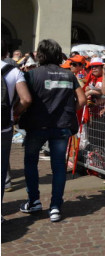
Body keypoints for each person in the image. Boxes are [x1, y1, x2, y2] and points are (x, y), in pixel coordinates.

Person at [19, 39, 86, 223]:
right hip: (62, 127)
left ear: (39, 55)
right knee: (58, 168)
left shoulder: (32, 75)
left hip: (38, 126)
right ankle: (55, 206)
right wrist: (69, 112)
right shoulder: (69, 75)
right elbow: (82, 100)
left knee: (31, 162)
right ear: (58, 55)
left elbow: (24, 99)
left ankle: (34, 201)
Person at [1, 40, 31, 214]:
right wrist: (14, 113)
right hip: (3, 125)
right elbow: (26, 99)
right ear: (6, 54)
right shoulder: (13, 71)